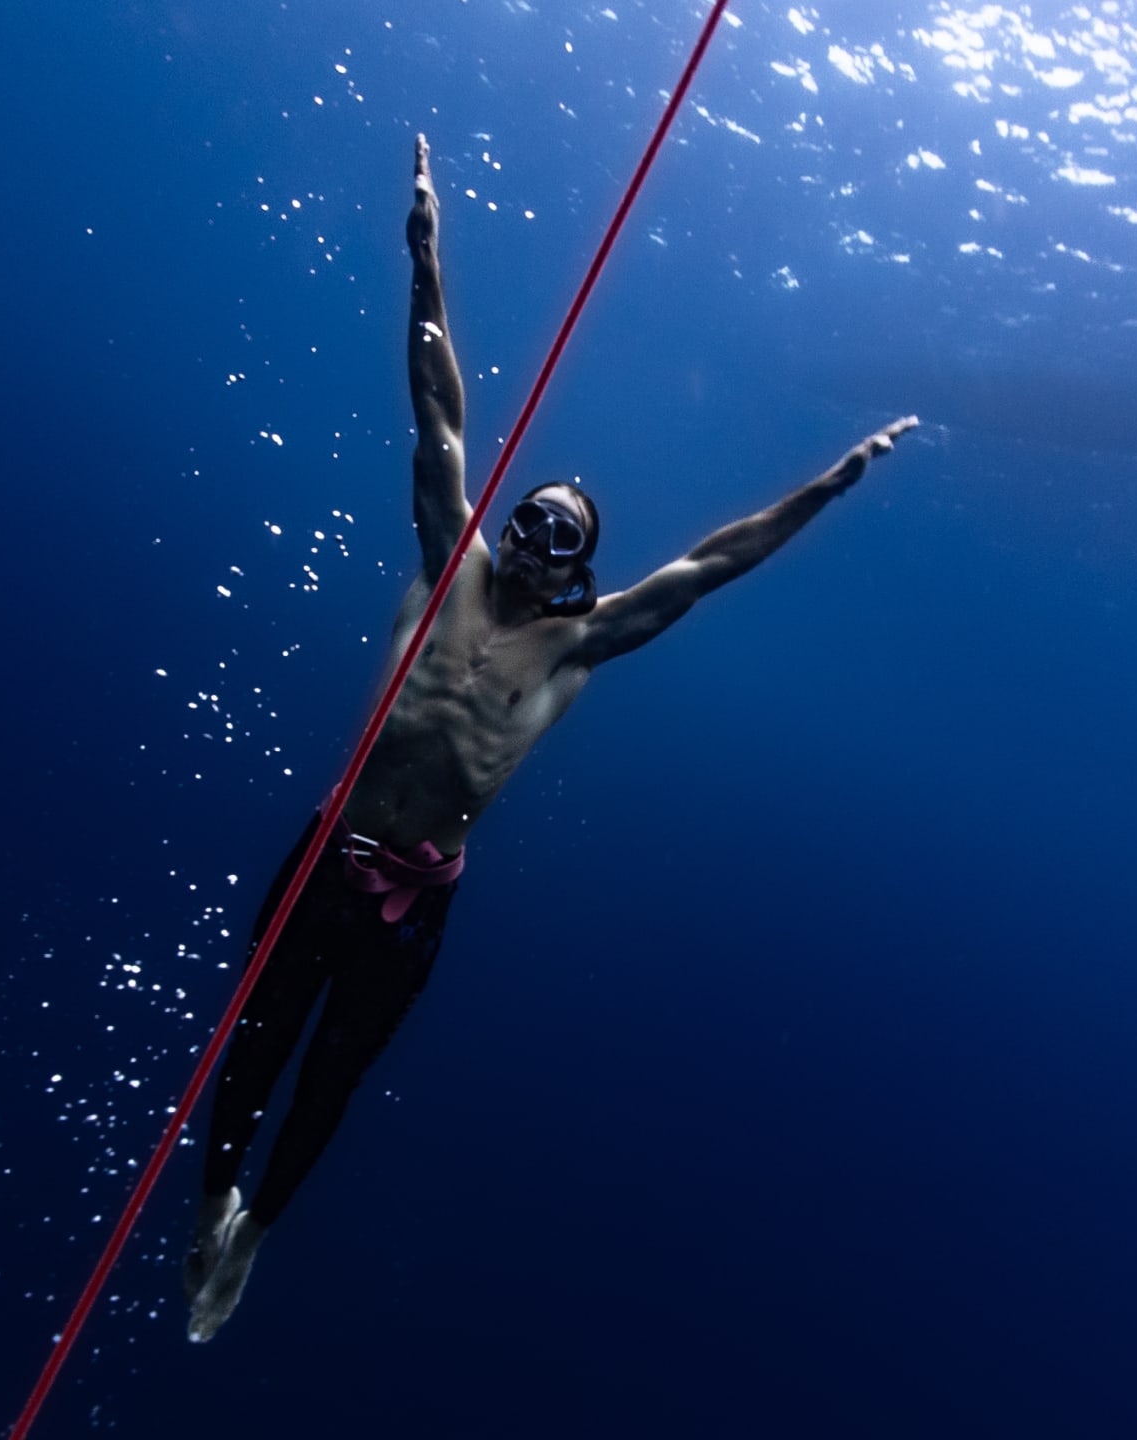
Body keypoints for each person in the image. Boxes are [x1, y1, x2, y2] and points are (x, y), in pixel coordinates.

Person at [183, 134, 918, 1341]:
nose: (533, 545)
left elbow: (712, 563)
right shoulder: (446, 567)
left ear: (582, 569)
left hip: (413, 904)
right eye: (531, 519)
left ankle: (254, 1236)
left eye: (561, 538)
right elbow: (434, 399)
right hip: (331, 854)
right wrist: (423, 241)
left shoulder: (577, 647)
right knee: (255, 1041)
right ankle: (213, 1198)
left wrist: (828, 486)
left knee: (332, 1079)